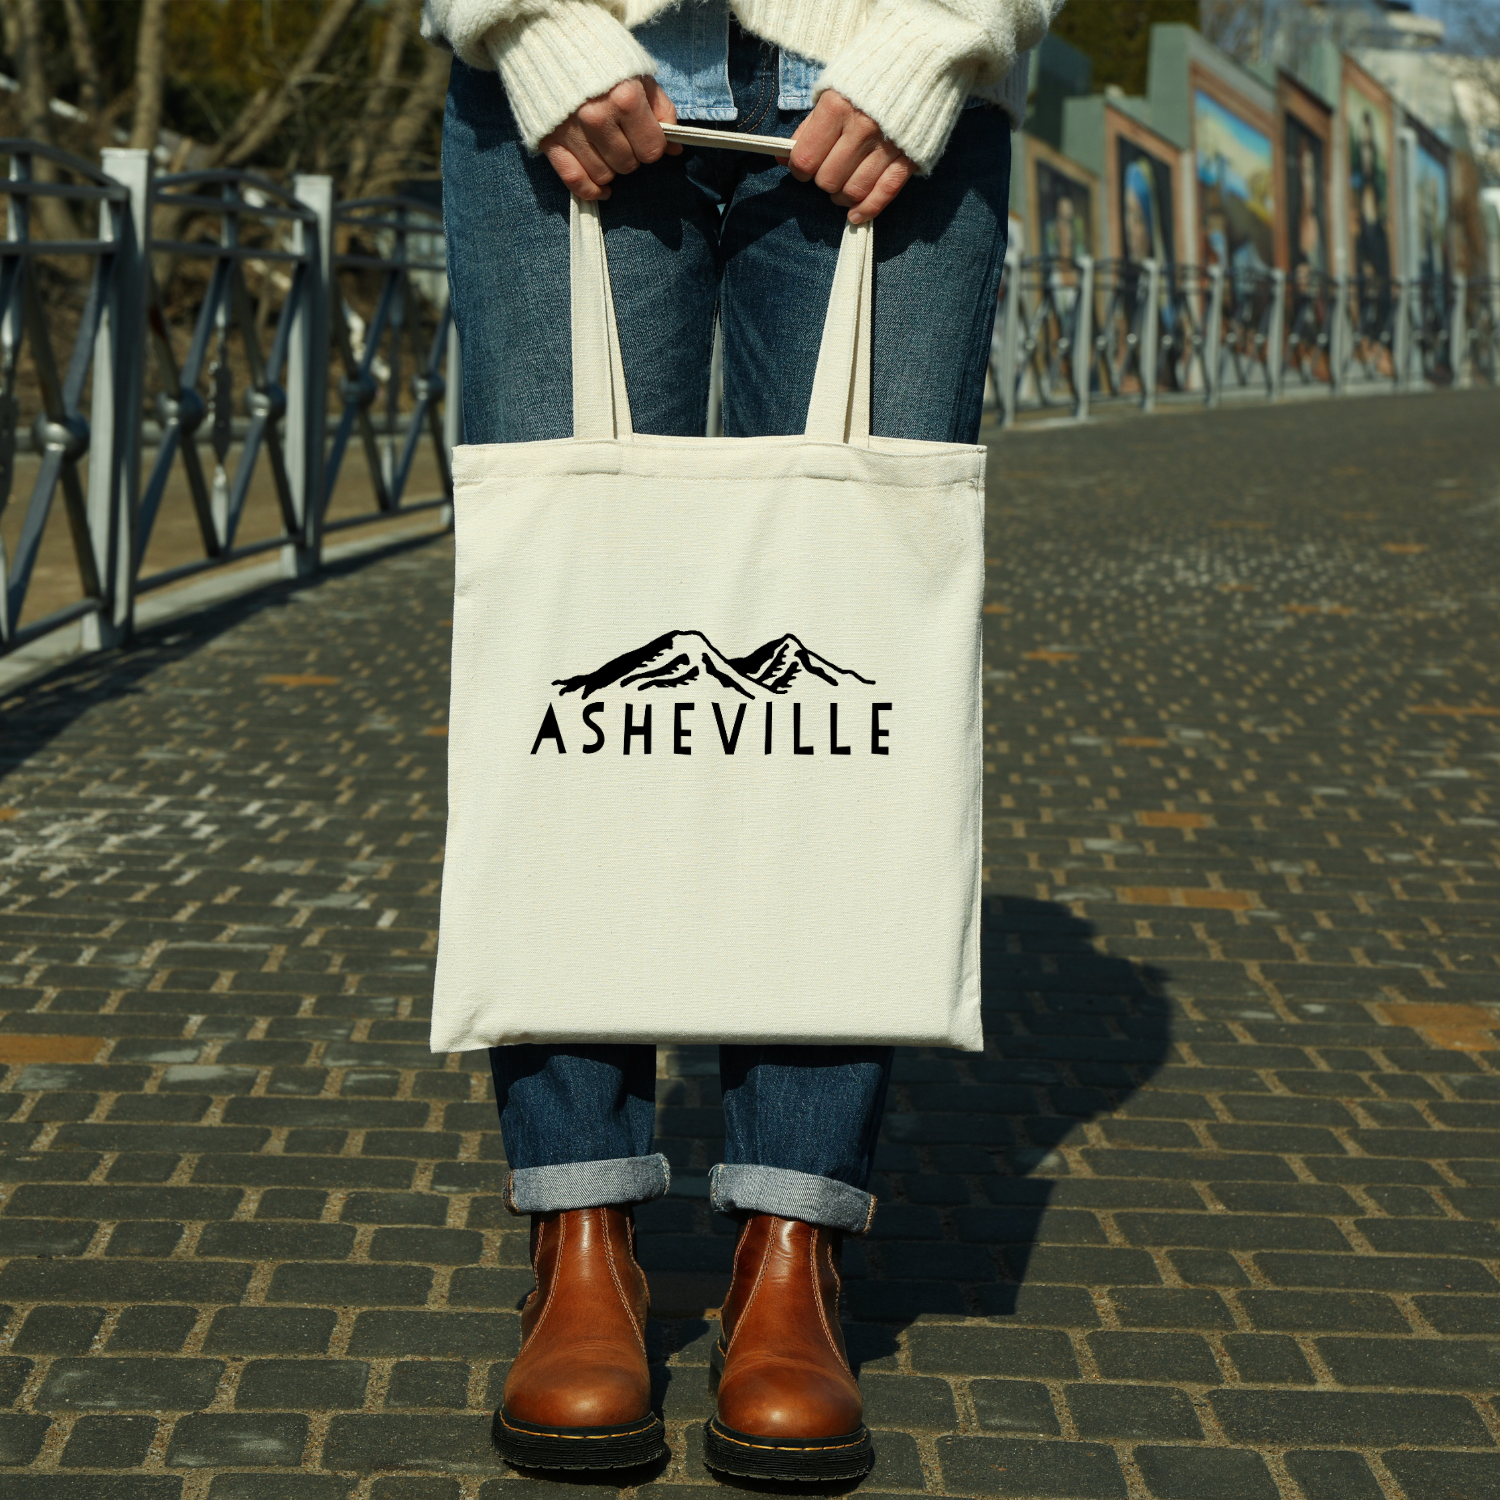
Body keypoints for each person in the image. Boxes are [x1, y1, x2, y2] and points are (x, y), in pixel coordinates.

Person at [422, 0, 1060, 1482]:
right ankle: (580, 1234)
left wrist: (942, 37)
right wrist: (527, 23)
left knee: (847, 674)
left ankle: (795, 1245)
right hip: (566, 63)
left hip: (890, 76)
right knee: (569, 660)